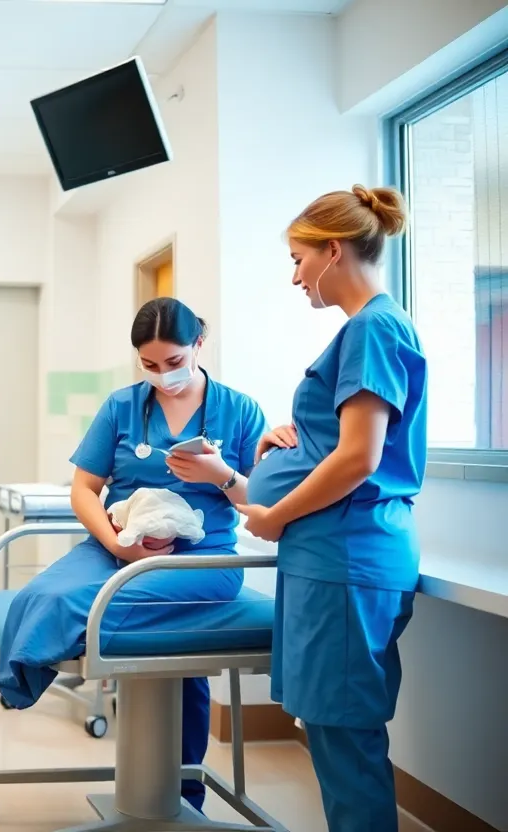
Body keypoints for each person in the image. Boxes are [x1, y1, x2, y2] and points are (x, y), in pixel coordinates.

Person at [0, 297, 268, 816]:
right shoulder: (122, 407)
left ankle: (183, 794)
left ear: (199, 345)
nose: (162, 375)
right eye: (149, 365)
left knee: (106, 606)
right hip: (117, 541)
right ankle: (23, 676)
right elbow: (83, 489)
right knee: (43, 593)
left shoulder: (240, 410)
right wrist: (119, 543)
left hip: (199, 559)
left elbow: (261, 505)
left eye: (174, 362)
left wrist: (221, 475)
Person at [239, 185, 425, 832]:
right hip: (335, 555)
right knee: (333, 730)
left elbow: (359, 459)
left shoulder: (373, 327)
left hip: (348, 555)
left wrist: (273, 515)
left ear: (333, 250)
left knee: (346, 739)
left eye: (298, 259)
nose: (295, 276)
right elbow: (339, 444)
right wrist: (283, 440)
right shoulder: (365, 331)